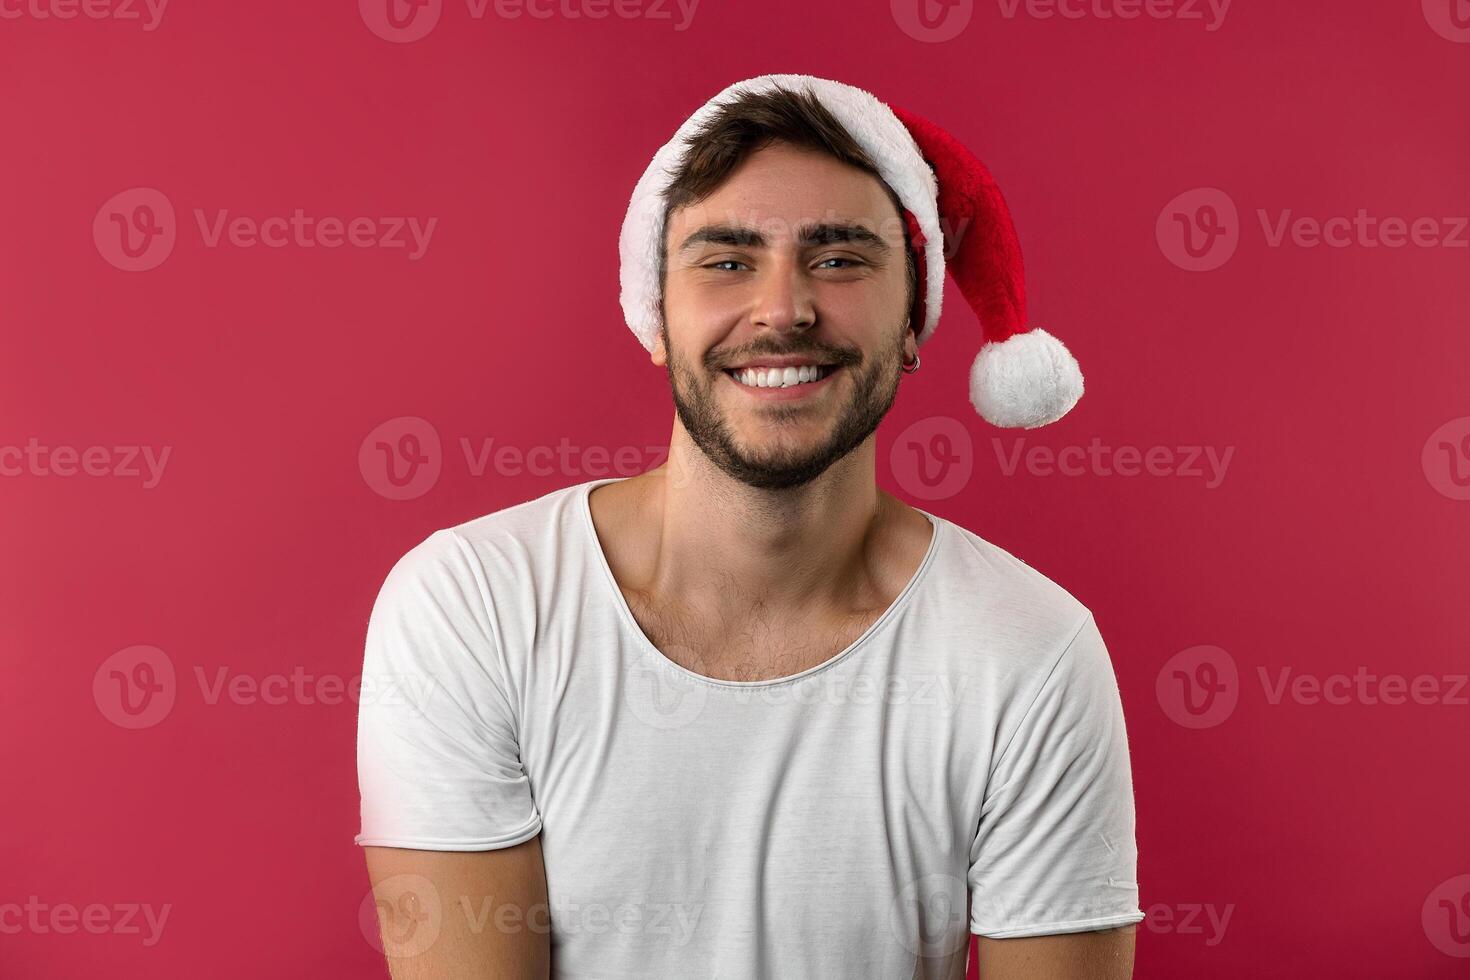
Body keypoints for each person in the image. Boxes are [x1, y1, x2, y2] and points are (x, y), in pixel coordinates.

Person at [355, 73, 1142, 979]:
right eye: (726, 261)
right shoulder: (473, 607)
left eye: (841, 259)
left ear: (914, 321)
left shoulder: (1029, 652)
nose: (783, 309)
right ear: (657, 316)